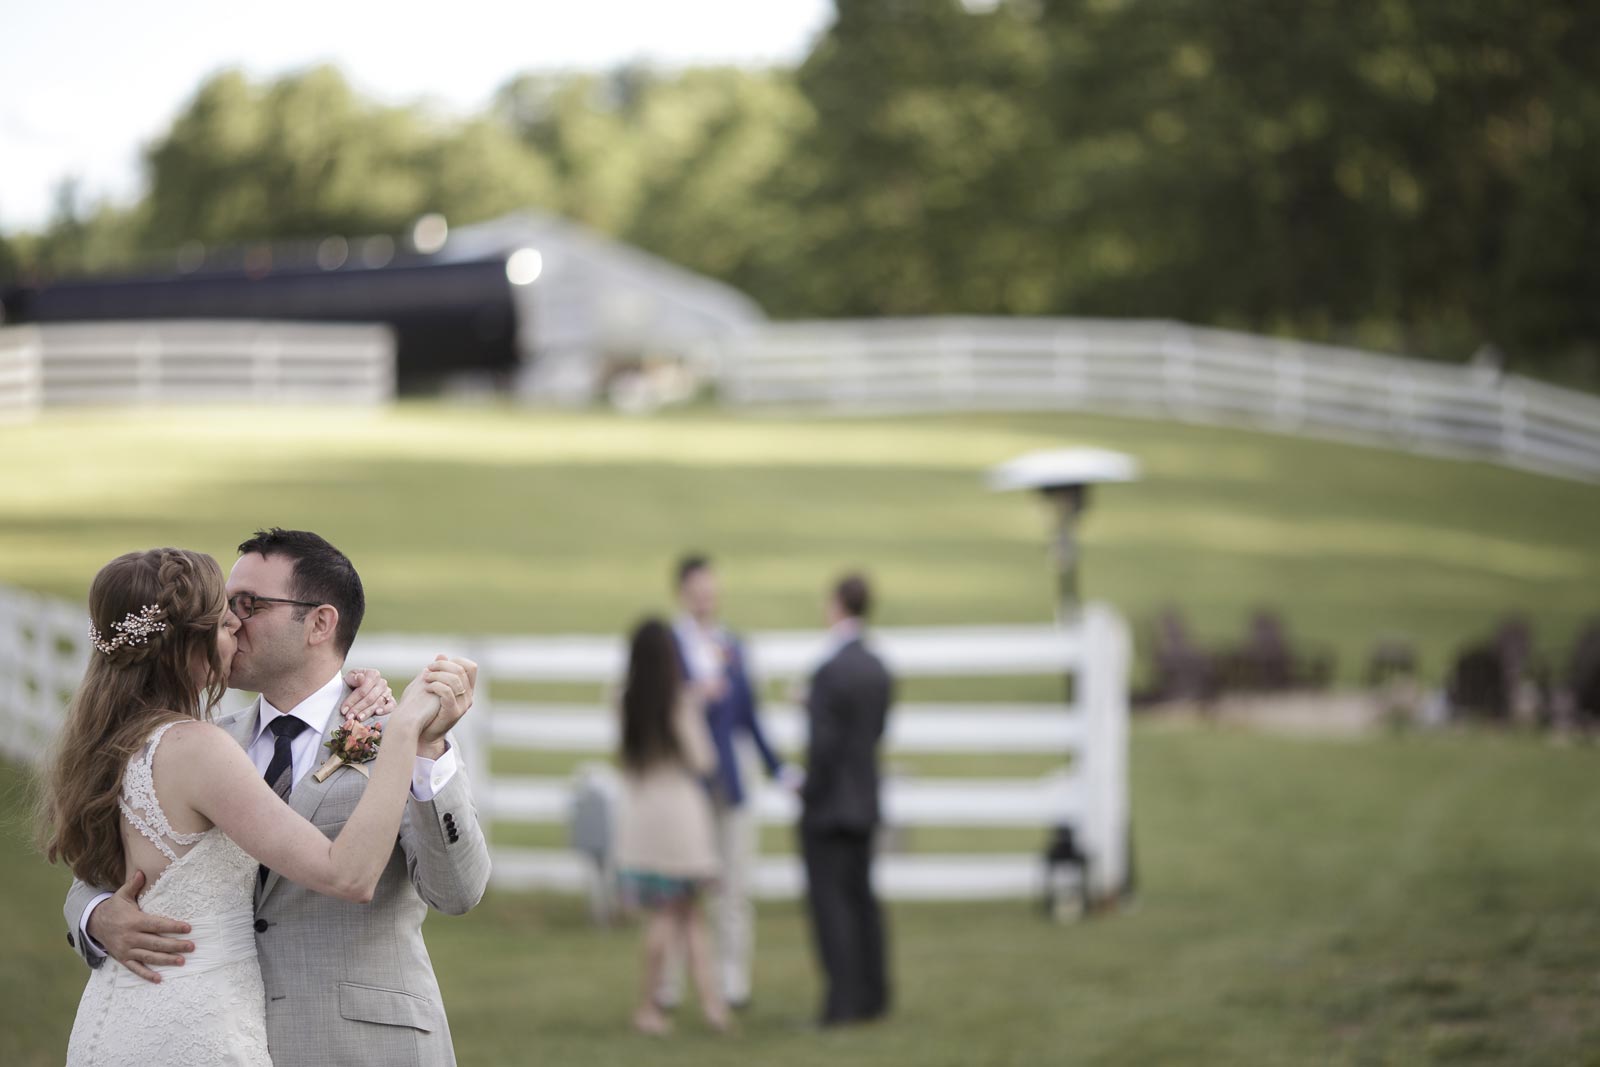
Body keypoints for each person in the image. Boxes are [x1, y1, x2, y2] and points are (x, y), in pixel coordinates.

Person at [57, 530, 492, 1065]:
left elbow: (458, 891)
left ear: (319, 623)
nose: (233, 622)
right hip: (213, 1032)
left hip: (364, 1044)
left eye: (249, 604)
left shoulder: (395, 733)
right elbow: (105, 869)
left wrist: (425, 748)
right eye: (226, 607)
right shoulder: (200, 741)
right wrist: (96, 915)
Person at [664, 553, 795, 1010]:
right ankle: (670, 984)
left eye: (711, 590)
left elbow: (750, 716)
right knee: (678, 888)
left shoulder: (734, 646)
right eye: (697, 590)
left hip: (730, 784)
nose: (705, 598)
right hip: (684, 787)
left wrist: (780, 768)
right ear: (682, 593)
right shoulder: (669, 646)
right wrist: (695, 696)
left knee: (735, 884)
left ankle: (732, 979)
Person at [613, 618, 727, 1036]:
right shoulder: (679, 701)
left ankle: (661, 1006)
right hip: (681, 819)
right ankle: (695, 1007)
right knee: (684, 916)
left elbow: (625, 758)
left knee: (670, 915)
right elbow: (703, 760)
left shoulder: (623, 699)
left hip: (642, 818)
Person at [799, 572, 894, 1027]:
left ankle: (841, 1003)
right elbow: (874, 732)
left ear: (836, 605)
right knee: (863, 900)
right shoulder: (878, 667)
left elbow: (824, 746)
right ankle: (874, 994)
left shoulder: (829, 670)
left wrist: (808, 790)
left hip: (830, 805)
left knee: (831, 906)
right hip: (866, 798)